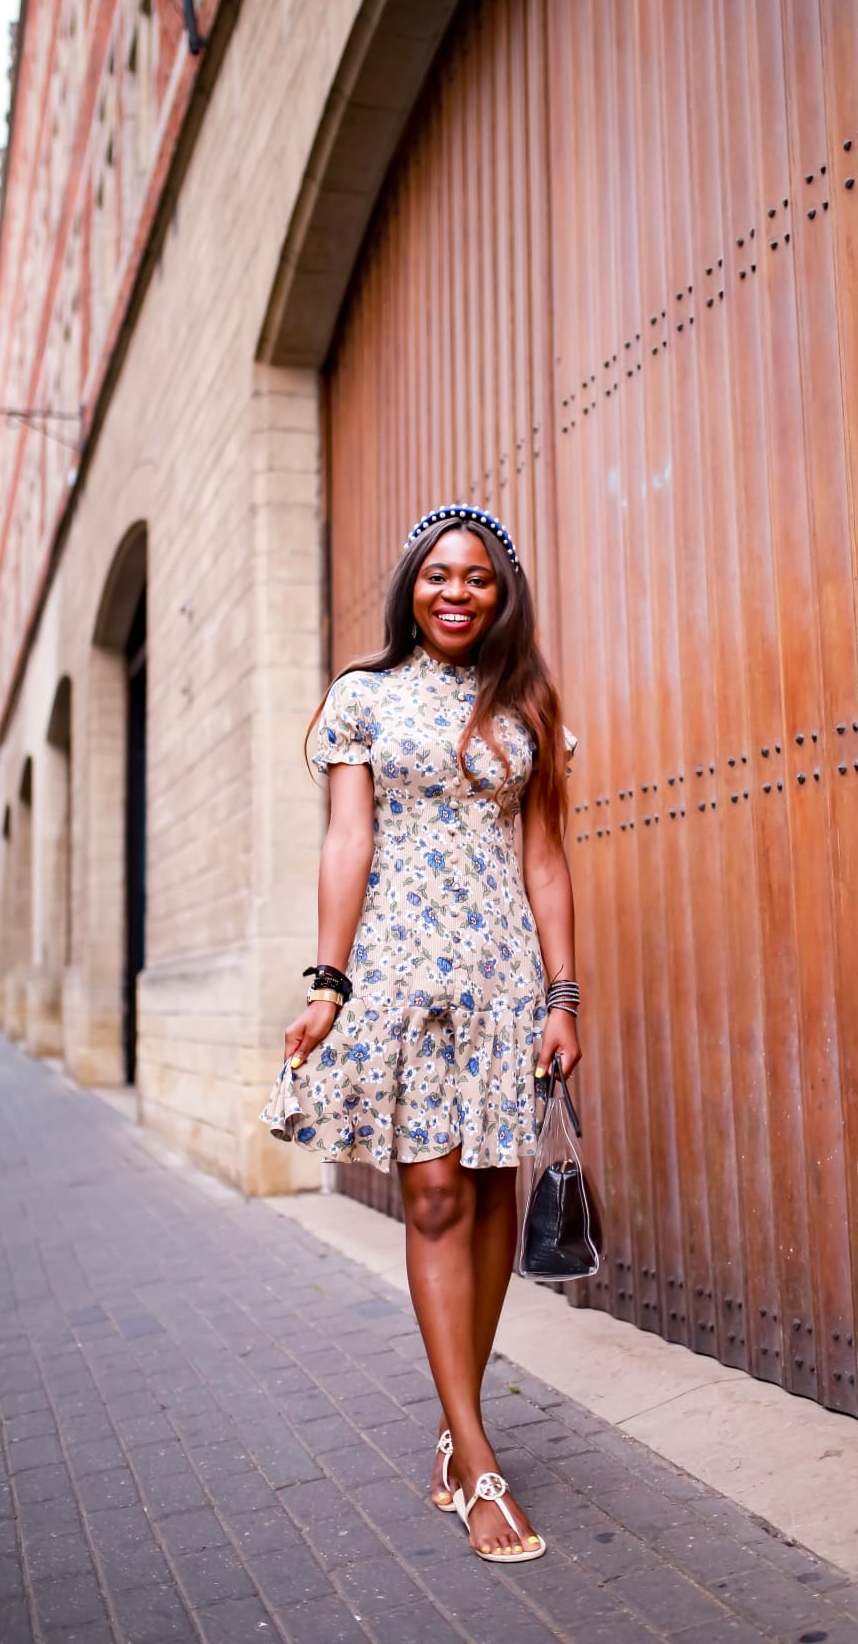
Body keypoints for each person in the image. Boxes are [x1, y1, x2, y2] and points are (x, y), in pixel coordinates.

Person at [260, 503, 580, 1564]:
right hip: (401, 976)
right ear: (413, 586)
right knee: (435, 1192)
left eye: (478, 578)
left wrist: (563, 997)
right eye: (439, 575)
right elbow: (348, 838)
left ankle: (458, 1426)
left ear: (501, 596)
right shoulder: (364, 699)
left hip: (499, 980)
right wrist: (328, 981)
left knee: (493, 1193)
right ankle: (481, 1461)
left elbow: (543, 859)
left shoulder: (526, 700)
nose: (457, 592)